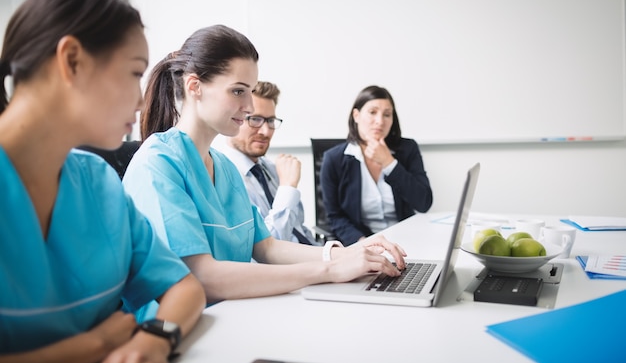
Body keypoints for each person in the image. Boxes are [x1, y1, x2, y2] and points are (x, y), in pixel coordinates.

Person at [122, 25, 407, 304]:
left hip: (234, 315)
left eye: (251, 91)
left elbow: (267, 247)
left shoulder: (224, 168)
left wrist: (348, 253)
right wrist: (330, 270)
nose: (248, 106)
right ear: (194, 86)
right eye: (238, 91)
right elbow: (202, 277)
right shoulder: (157, 165)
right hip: (172, 334)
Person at [0, 0, 205, 362]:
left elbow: (185, 287)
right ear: (72, 61)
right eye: (133, 73)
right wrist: (92, 346)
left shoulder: (98, 182)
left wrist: (154, 338)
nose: (141, 102)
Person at [320, 85, 433, 246]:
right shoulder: (334, 159)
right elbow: (335, 216)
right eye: (372, 112)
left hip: (408, 242)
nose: (380, 121)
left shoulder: (408, 149)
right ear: (356, 115)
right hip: (363, 245)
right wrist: (364, 244)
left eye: (387, 114)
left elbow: (424, 203)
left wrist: (389, 163)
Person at [221, 80, 318, 245]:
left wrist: (331, 253)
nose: (265, 132)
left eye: (271, 121)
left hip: (310, 258)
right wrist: (287, 188)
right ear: (236, 118)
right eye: (255, 119)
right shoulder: (224, 177)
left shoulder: (271, 168)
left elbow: (299, 230)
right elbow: (265, 251)